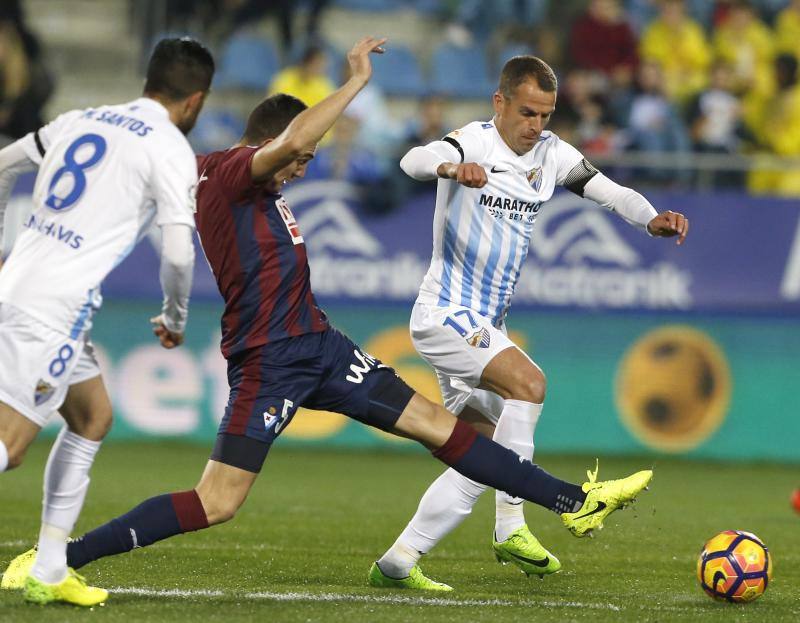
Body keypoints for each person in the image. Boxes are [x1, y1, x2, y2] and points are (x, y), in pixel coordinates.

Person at [2, 38, 654, 598]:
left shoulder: (205, 172)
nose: (300, 170)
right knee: (217, 501)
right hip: (269, 358)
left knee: (444, 429)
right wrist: (356, 84)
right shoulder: (235, 171)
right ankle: (61, 558)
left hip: (322, 344)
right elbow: (290, 141)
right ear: (271, 143)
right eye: (298, 160)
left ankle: (573, 500)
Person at [369, 54, 688, 591]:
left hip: (485, 325)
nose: (535, 126)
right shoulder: (472, 141)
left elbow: (609, 191)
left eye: (545, 114)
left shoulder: (552, 154)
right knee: (530, 384)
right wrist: (451, 168)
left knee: (481, 458)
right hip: (445, 312)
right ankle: (515, 522)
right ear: (499, 102)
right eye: (526, 112)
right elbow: (413, 161)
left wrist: (651, 217)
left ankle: (398, 562)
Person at [0, 37, 214, 606]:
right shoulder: (169, 148)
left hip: (19, 286)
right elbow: (177, 252)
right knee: (11, 445)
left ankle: (49, 568)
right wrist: (174, 315)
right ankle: (47, 568)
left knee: (93, 416)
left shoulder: (82, 117)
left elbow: (3, 165)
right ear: (195, 101)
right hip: (55, 309)